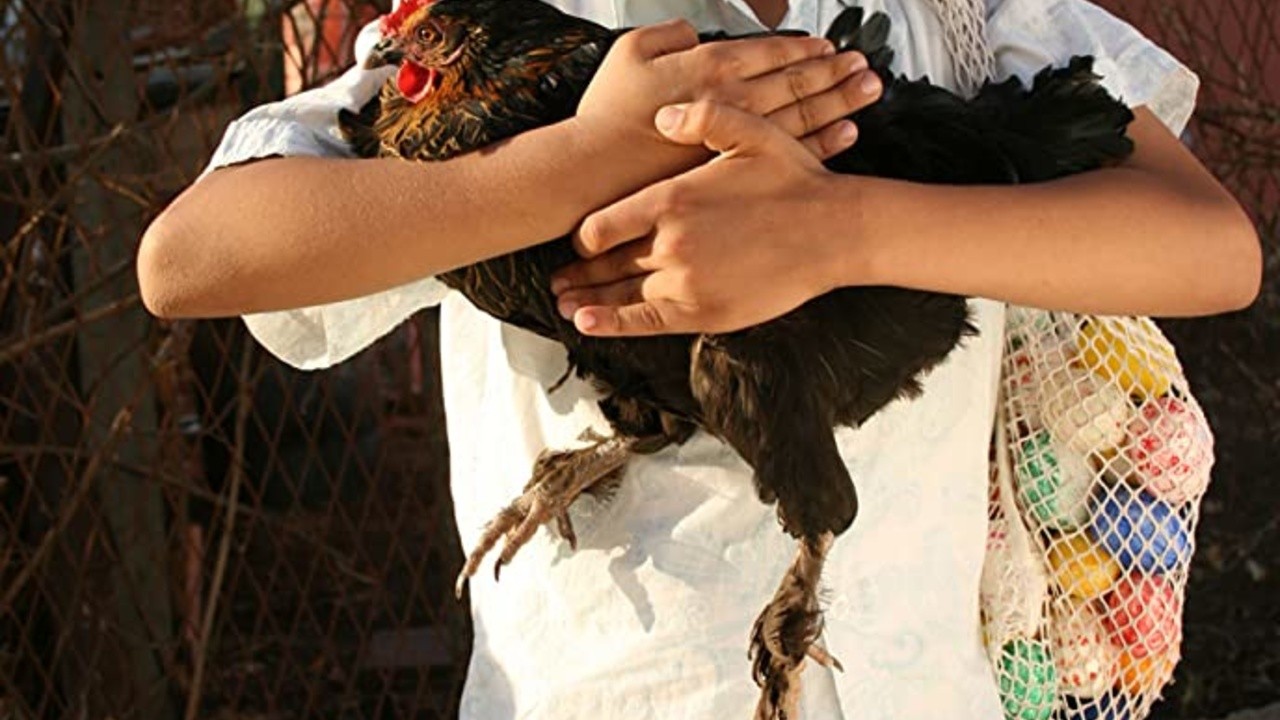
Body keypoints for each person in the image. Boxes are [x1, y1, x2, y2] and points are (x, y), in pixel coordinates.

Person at [137, 0, 1261, 717]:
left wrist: (839, 231)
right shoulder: (504, 29)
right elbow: (187, 259)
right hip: (600, 696)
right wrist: (592, 150)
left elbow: (1211, 247)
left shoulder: (963, 17)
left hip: (915, 691)